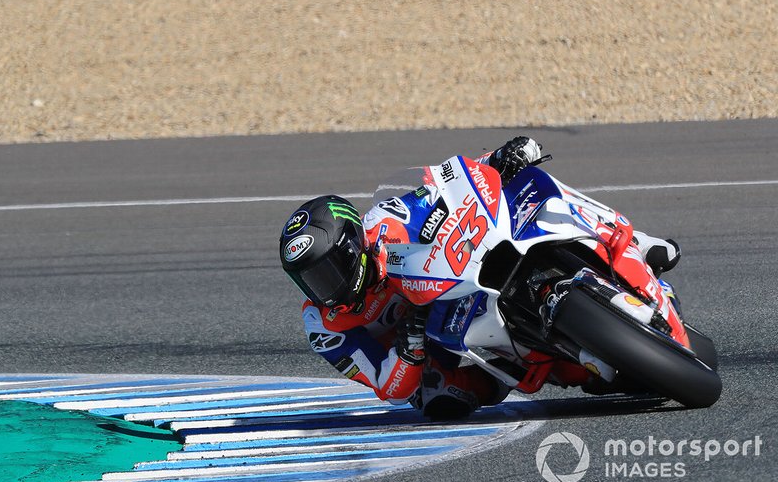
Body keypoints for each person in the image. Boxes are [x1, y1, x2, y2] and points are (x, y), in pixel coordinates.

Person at [279, 137, 680, 420]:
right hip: (426, 340)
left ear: (353, 246)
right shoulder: (324, 326)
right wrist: (410, 350)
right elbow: (389, 387)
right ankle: (546, 363)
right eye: (310, 280)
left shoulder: (387, 221)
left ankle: (630, 242)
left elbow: (447, 185)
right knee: (439, 398)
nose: (323, 290)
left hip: (456, 280)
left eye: (327, 272)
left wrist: (498, 158)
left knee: (527, 191)